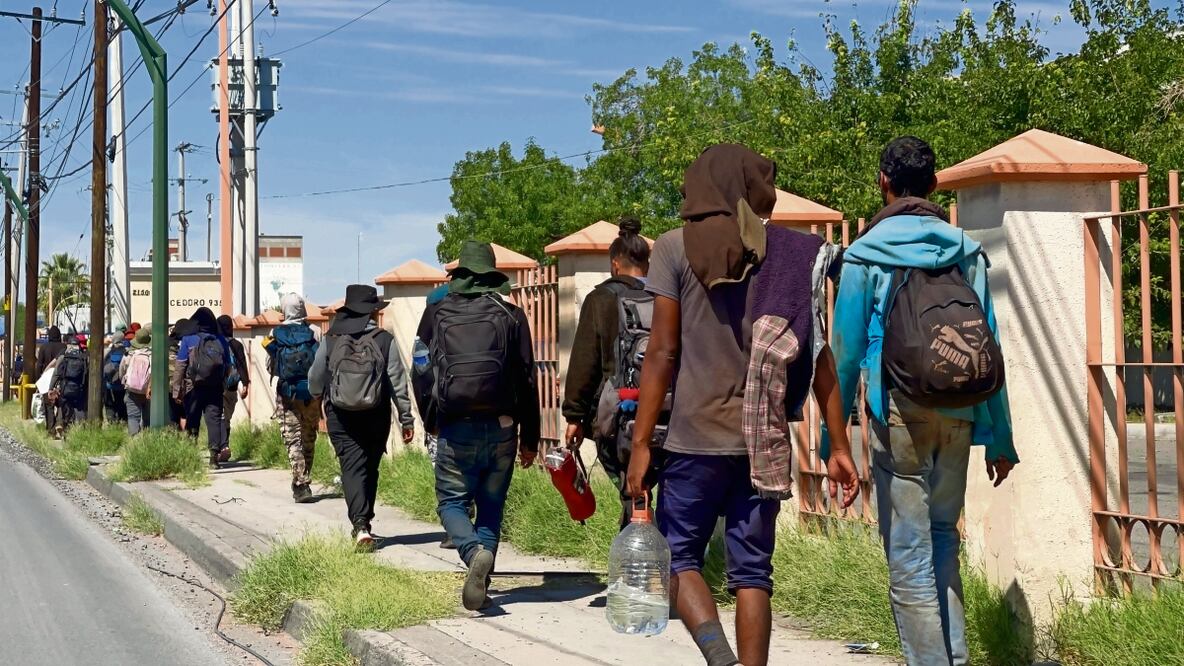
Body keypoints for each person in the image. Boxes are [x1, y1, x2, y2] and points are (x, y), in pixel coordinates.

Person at [626, 144, 860, 666]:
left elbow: (662, 351)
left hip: (694, 440)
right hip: (763, 441)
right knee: (752, 573)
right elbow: (819, 354)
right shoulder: (791, 256)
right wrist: (839, 443)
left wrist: (641, 443)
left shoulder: (671, 248)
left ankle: (720, 658)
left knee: (679, 559)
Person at [827, 136, 1018, 666]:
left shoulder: (866, 254)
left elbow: (843, 354)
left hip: (899, 412)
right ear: (935, 185)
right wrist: (1000, 437)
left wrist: (834, 439)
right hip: (959, 412)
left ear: (883, 183)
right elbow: (988, 344)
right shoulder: (966, 249)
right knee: (943, 544)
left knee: (908, 556)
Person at [415, 240, 540, 612]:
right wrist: (530, 438)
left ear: (459, 275)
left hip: (455, 425)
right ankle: (482, 580)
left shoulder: (436, 312)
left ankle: (472, 554)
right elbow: (527, 380)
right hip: (502, 426)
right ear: (491, 273)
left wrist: (430, 418)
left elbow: (421, 367)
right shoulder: (512, 314)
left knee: (451, 501)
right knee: (491, 506)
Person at [562, 217, 656, 529]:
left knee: (632, 493)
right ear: (646, 262)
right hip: (668, 414)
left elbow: (584, 362)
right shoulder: (665, 296)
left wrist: (574, 416)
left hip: (619, 415)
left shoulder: (600, 299)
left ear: (615, 264)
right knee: (658, 494)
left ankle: (639, 565)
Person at [308, 285, 415, 549]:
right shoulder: (385, 340)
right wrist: (406, 417)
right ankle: (364, 521)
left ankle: (360, 525)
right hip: (376, 415)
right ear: (372, 313)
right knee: (370, 467)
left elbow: (314, 378)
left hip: (340, 415)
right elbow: (397, 382)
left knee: (351, 467)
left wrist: (318, 395)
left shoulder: (330, 338)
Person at [263, 294, 323, 504]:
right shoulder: (315, 331)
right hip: (312, 393)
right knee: (308, 436)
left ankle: (301, 483)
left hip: (287, 393)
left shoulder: (275, 333)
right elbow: (321, 364)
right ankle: (304, 480)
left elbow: (270, 365)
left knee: (292, 438)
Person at [172, 307, 233, 468]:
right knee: (213, 421)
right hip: (214, 387)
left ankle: (191, 456)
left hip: (193, 387)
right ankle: (214, 457)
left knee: (193, 419)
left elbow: (180, 366)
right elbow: (228, 365)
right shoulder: (220, 340)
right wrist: (223, 383)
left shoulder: (188, 339)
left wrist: (177, 390)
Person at [218, 314, 250, 457]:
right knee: (226, 417)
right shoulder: (236, 344)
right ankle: (224, 445)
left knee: (221, 416)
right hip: (231, 386)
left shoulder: (216, 343)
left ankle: (222, 446)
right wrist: (245, 384)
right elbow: (242, 365)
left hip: (217, 385)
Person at [48, 337, 89, 438]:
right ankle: (80, 433)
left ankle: (67, 432)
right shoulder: (84, 358)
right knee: (79, 410)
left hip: (65, 388)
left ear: (69, 345)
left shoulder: (64, 357)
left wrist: (50, 388)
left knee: (66, 411)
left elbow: (56, 374)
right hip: (79, 389)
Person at [119, 327, 152, 435]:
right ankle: (147, 439)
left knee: (133, 416)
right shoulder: (153, 355)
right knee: (148, 417)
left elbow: (122, 371)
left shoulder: (129, 355)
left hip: (132, 390)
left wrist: (125, 382)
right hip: (148, 391)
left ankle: (134, 440)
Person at [168, 319, 192, 428]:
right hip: (186, 384)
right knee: (185, 413)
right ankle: (186, 436)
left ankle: (175, 436)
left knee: (173, 413)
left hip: (170, 384)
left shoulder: (168, 341)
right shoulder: (190, 340)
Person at [102, 334, 129, 423]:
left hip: (109, 384)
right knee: (122, 402)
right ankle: (123, 420)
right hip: (122, 384)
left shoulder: (108, 351)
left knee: (109, 404)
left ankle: (111, 421)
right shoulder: (127, 351)